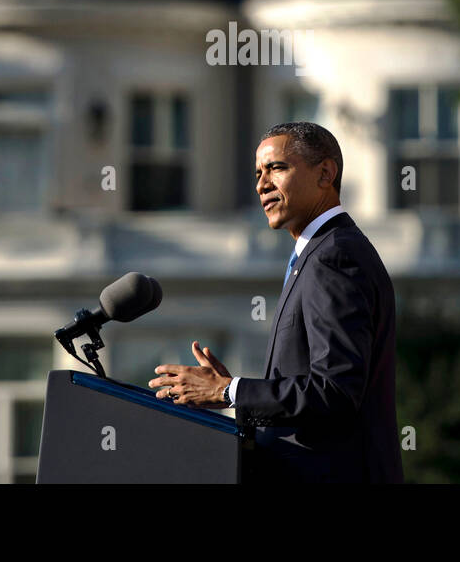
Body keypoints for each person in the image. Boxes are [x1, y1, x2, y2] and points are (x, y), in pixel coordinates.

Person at [148, 121, 404, 483]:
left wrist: (229, 389)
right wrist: (234, 394)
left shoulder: (335, 256)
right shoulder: (317, 254)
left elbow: (335, 391)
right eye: (257, 173)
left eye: (277, 168)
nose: (261, 184)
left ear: (325, 173)